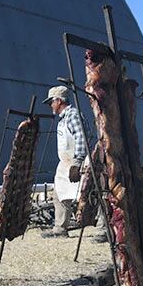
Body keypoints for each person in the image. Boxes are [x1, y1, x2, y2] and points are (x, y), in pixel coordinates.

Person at [43, 85, 87, 237]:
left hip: (78, 161)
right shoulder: (63, 119)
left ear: (59, 101)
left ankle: (103, 229)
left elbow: (81, 137)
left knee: (89, 194)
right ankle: (60, 229)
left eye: (51, 103)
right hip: (65, 162)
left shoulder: (73, 115)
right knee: (59, 195)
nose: (50, 106)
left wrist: (78, 161)